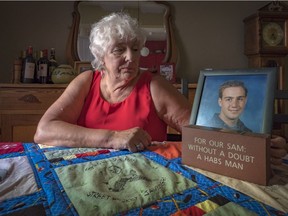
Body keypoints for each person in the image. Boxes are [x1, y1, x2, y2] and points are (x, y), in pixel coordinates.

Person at [34, 12, 287, 165]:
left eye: (135, 48)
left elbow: (203, 133)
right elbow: (44, 131)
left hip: (145, 176)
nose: (131, 58)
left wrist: (257, 146)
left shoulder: (153, 85)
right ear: (101, 55)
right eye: (119, 49)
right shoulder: (86, 80)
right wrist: (113, 138)